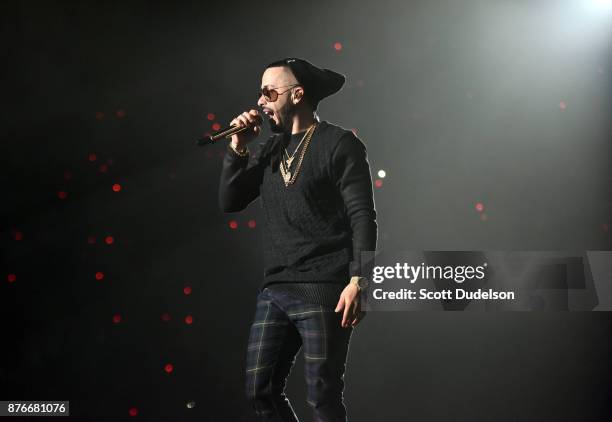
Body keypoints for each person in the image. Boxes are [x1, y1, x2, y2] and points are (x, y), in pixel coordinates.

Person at [218, 57, 377, 422]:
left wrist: (359, 279)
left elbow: (362, 216)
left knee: (322, 395)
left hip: (324, 286)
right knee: (260, 390)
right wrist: (238, 148)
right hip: (276, 288)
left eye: (269, 92)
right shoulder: (268, 150)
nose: (260, 101)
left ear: (297, 95)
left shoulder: (340, 144)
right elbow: (230, 202)